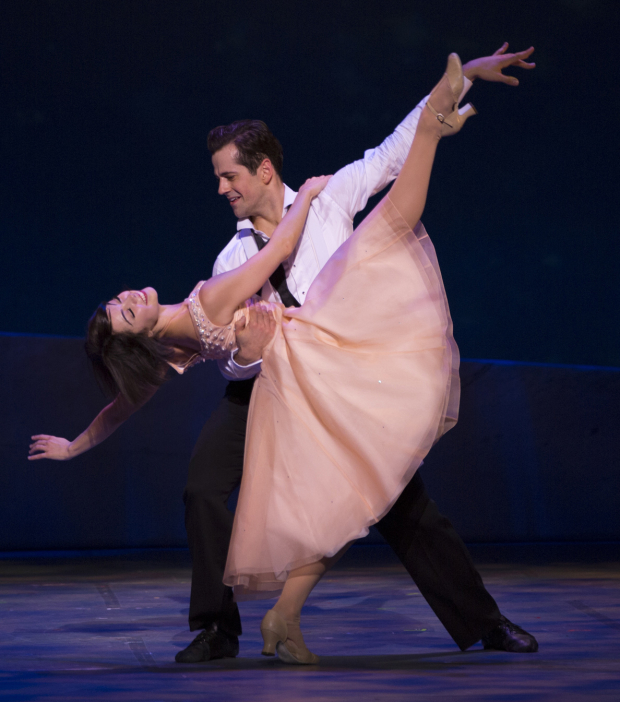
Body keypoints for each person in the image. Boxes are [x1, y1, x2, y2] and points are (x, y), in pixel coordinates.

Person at [30, 45, 538, 662]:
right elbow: (221, 359)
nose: (222, 189)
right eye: (219, 178)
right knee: (202, 489)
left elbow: (392, 152)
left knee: (402, 502)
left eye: (230, 177)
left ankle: (484, 623)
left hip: (335, 379)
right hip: (257, 389)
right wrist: (247, 356)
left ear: (264, 170)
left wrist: (455, 84)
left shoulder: (327, 200)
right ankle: (219, 628)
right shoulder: (230, 260)